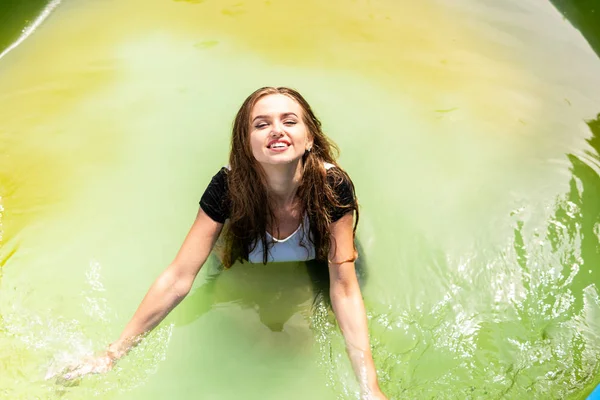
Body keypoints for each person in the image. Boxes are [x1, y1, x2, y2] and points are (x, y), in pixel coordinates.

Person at [59, 87, 387, 399]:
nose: (277, 130)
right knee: (253, 337)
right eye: (261, 124)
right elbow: (178, 278)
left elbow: (343, 288)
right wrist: (111, 355)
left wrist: (369, 387)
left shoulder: (333, 186)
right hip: (244, 256)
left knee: (305, 340)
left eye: (289, 121)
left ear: (309, 137)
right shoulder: (227, 188)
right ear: (246, 143)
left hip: (318, 259)